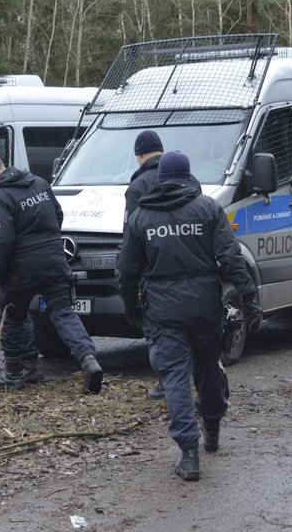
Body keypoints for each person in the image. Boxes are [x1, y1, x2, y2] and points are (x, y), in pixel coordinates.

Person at [118, 151, 262, 481]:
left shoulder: (141, 217)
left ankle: (189, 453)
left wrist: (131, 308)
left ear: (161, 179)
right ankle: (211, 425)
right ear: (187, 175)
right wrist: (250, 301)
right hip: (204, 306)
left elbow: (127, 270)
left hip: (163, 311)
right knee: (209, 367)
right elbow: (231, 259)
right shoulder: (208, 208)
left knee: (175, 379)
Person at [0, 153, 104, 393]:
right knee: (63, 313)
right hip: (54, 262)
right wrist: (47, 245)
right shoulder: (39, 183)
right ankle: (88, 360)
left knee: (12, 317)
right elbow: (58, 215)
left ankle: (14, 373)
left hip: (21, 271)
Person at [125, 129, 166, 401]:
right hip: (192, 268)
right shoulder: (189, 180)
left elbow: (131, 235)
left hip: (153, 271)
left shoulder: (137, 187)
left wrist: (129, 281)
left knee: (160, 330)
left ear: (139, 155)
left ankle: (166, 382)